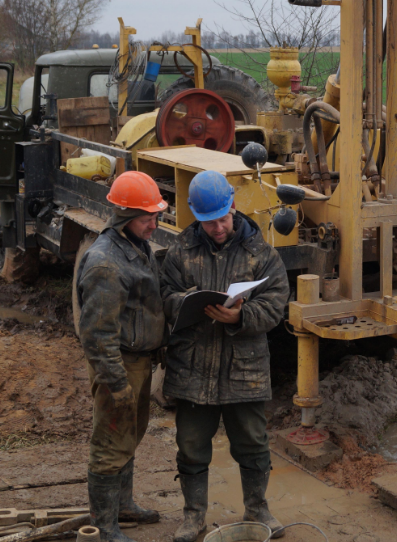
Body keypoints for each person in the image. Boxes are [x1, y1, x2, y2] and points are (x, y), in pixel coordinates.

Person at [160, 170, 290, 542]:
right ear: (194, 217)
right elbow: (165, 296)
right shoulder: (180, 251)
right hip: (193, 368)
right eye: (208, 221)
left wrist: (242, 315)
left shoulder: (260, 253)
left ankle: (258, 508)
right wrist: (184, 303)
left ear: (233, 206)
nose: (217, 227)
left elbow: (276, 303)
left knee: (252, 442)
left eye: (222, 218)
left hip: (244, 369)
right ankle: (193, 515)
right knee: (191, 445)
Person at [77, 171, 168, 542]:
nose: (154, 224)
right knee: (111, 443)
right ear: (124, 216)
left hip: (139, 361)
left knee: (130, 435)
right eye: (148, 218)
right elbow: (97, 335)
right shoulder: (106, 264)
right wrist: (115, 383)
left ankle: (124, 505)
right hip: (120, 364)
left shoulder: (135, 246)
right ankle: (105, 526)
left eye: (155, 216)